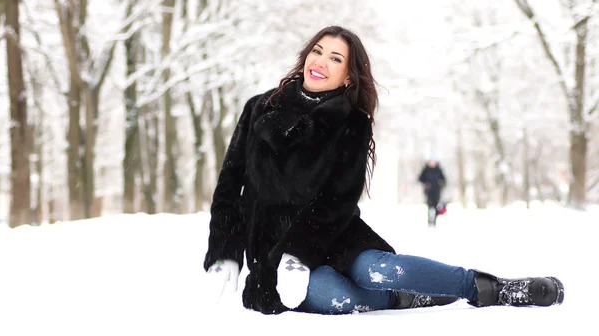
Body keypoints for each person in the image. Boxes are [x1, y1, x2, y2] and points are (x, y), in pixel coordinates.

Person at [203, 26, 564, 315]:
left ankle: (491, 288)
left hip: (331, 235)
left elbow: (338, 200)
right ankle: (405, 299)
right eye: (317, 51)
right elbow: (229, 187)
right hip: (269, 252)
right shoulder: (259, 109)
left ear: (347, 76)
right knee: (333, 297)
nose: (321, 62)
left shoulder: (352, 123)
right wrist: (224, 252)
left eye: (335, 58)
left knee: (380, 270)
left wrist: (298, 255)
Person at [418, 154, 446, 227]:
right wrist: (426, 183)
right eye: (431, 161)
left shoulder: (439, 170)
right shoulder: (426, 169)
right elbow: (420, 178)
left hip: (437, 191)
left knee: (436, 206)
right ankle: (429, 222)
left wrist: (440, 184)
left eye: (434, 161)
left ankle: (434, 221)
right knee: (430, 206)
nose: (432, 163)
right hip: (428, 191)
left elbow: (444, 180)